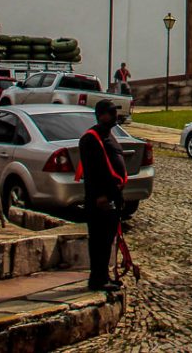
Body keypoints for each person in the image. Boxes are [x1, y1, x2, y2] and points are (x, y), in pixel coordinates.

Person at [78, 100, 129, 290]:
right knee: (99, 241)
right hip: (99, 200)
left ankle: (104, 275)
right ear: (100, 115)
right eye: (110, 113)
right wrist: (100, 195)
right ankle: (97, 279)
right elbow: (91, 171)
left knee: (107, 240)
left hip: (113, 196)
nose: (114, 116)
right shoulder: (90, 138)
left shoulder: (109, 136)